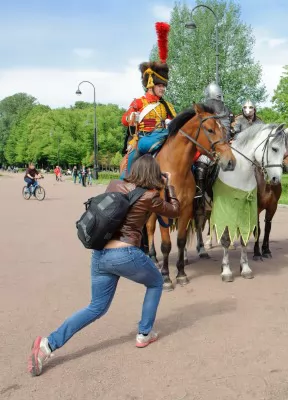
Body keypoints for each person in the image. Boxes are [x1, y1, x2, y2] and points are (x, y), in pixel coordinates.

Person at [28, 155, 180, 377]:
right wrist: (171, 186)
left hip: (100, 254)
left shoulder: (114, 185)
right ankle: (144, 333)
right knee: (156, 282)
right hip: (124, 253)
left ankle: (47, 345)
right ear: (153, 174)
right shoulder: (149, 196)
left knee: (96, 307)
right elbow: (174, 211)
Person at [121, 23, 177, 177]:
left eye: (164, 86)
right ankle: (124, 182)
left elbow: (175, 122)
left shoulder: (166, 106)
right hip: (144, 138)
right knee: (130, 161)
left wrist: (171, 124)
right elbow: (124, 120)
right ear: (150, 85)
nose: (163, 89)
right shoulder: (139, 102)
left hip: (164, 137)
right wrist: (132, 118)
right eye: (160, 85)